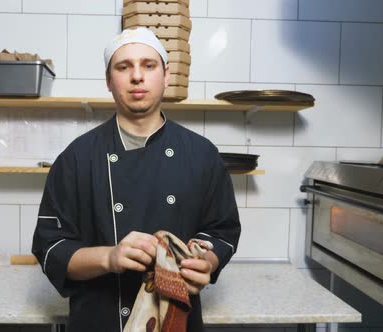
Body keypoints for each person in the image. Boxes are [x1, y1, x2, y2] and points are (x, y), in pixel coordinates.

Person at [32, 27, 241, 332]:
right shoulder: (77, 158)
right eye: (124, 67)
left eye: (148, 65)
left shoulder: (201, 154)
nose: (137, 77)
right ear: (108, 80)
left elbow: (222, 231)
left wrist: (206, 262)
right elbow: (51, 248)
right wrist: (109, 257)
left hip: (175, 320)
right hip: (99, 320)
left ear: (166, 75)